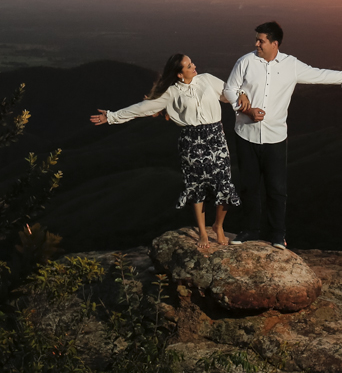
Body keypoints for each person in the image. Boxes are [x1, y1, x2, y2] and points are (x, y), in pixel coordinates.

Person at [224, 21, 342, 250]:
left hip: (275, 138)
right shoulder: (245, 61)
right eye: (256, 39)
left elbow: (320, 75)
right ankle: (250, 230)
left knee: (276, 189)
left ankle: (277, 235)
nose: (256, 44)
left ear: (275, 43)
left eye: (261, 40)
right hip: (245, 135)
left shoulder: (291, 65)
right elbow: (229, 88)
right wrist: (244, 105)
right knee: (249, 186)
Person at [91, 53, 240, 254]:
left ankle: (218, 226)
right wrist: (111, 117)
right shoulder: (170, 93)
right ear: (179, 74)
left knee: (223, 182)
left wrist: (248, 100)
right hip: (191, 140)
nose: (194, 65)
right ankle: (203, 232)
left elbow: (229, 94)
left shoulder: (207, 79)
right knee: (196, 185)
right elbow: (142, 108)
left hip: (215, 136)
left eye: (192, 62)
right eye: (189, 65)